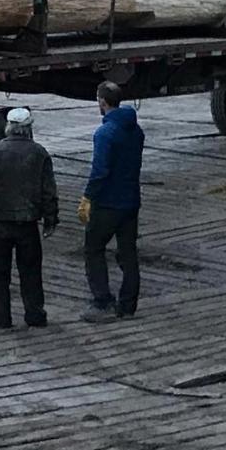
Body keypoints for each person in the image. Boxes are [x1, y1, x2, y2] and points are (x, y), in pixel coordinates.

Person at [0, 108, 59, 329]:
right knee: (31, 272)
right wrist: (51, 219)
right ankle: (35, 315)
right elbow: (48, 191)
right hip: (28, 224)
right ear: (28, 128)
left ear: (8, 127)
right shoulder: (39, 153)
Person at [77, 81, 145, 322]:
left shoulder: (105, 133)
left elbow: (100, 171)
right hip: (131, 202)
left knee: (94, 249)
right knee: (128, 253)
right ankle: (128, 306)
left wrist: (88, 197)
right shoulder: (136, 130)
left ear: (102, 102)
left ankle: (103, 302)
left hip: (108, 203)